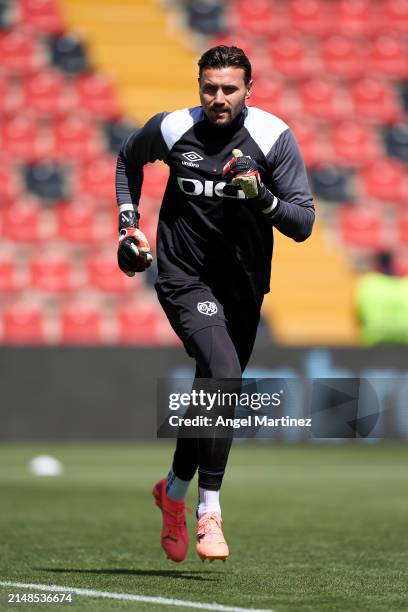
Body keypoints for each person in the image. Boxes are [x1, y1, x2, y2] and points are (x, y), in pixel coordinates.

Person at [115, 45, 315, 563]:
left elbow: (303, 223)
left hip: (244, 287)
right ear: (199, 85)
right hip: (184, 278)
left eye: (229, 88)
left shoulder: (273, 137)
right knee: (224, 373)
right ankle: (210, 512)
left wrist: (262, 198)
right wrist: (129, 225)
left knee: (211, 395)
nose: (218, 98)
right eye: (210, 87)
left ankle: (171, 492)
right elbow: (127, 160)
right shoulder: (172, 128)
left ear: (250, 89)